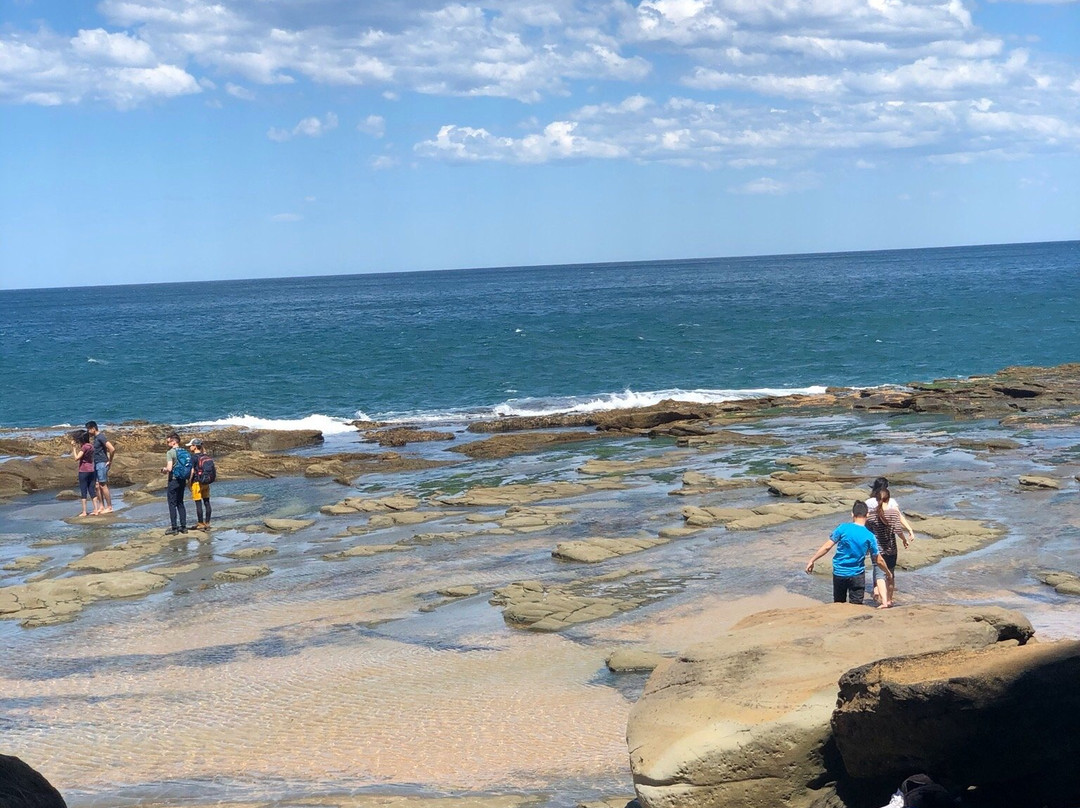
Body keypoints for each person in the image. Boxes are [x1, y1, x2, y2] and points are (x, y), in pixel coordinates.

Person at [806, 500, 892, 604]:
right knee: (856, 605)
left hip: (839, 572)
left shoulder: (843, 528)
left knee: (838, 604)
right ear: (867, 515)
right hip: (857, 574)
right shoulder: (870, 536)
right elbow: (879, 560)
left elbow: (827, 547)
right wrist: (887, 572)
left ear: (852, 514)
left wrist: (812, 560)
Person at [161, 433, 189, 535]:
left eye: (168, 442)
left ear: (174, 442)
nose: (167, 443)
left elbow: (169, 468)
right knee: (180, 502)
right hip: (182, 479)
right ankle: (184, 527)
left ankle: (174, 527)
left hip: (173, 480)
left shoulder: (170, 452)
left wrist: (163, 470)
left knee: (172, 504)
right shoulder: (185, 451)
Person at [85, 421, 116, 513]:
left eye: (88, 429)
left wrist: (110, 461)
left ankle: (109, 507)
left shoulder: (101, 437)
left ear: (93, 428)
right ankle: (101, 506)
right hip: (96, 463)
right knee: (97, 486)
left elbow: (112, 449)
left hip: (102, 463)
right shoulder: (95, 438)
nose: (88, 431)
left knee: (103, 485)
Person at [70, 430, 101, 517]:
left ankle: (84, 511)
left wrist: (74, 448)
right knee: (92, 490)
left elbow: (77, 458)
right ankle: (96, 509)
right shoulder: (91, 446)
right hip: (91, 469)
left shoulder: (84, 447)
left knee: (83, 491)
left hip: (83, 470)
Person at [187, 438, 213, 529]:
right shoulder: (205, 456)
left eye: (191, 445)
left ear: (194, 446)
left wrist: (189, 482)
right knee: (206, 502)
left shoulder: (193, 457)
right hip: (206, 482)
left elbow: (192, 471)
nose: (190, 447)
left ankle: (200, 523)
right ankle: (208, 522)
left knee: (198, 503)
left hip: (196, 482)